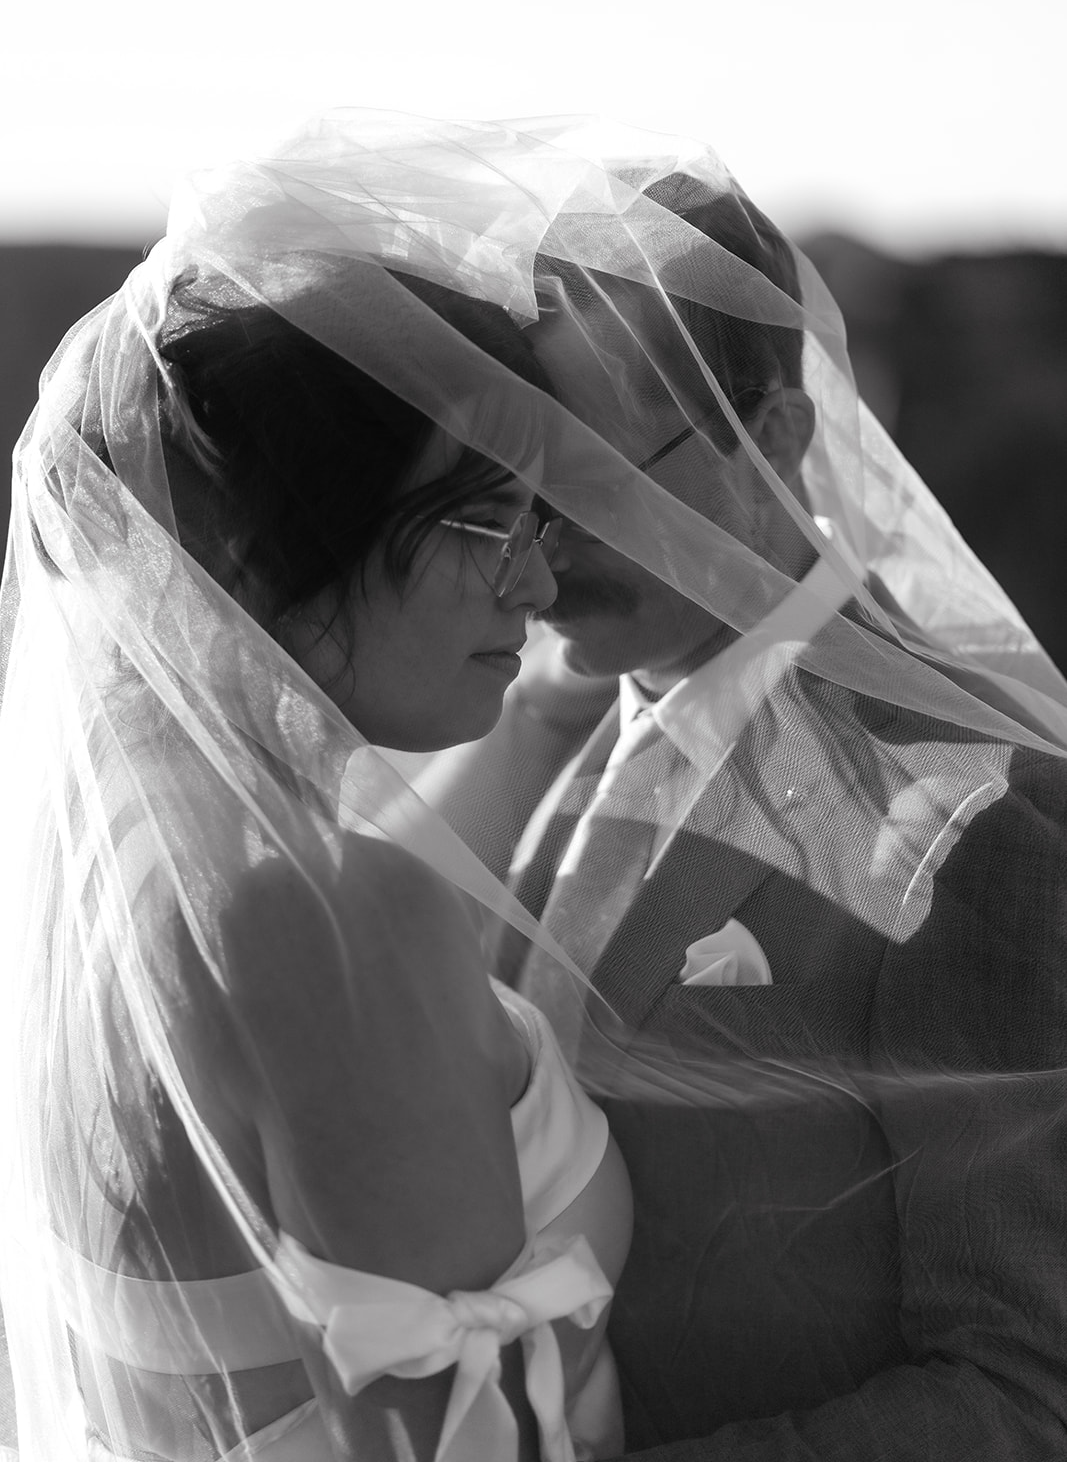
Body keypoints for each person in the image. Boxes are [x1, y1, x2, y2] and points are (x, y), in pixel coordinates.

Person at [416, 157, 1067, 1457]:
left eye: (595, 478)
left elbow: (1021, 1391)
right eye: (516, 486)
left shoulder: (983, 821)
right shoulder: (537, 735)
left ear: (773, 437)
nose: (538, 552)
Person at [0, 139, 640, 1462]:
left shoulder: (107, 847)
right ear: (266, 535)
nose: (535, 586)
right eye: (482, 528)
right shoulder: (327, 910)